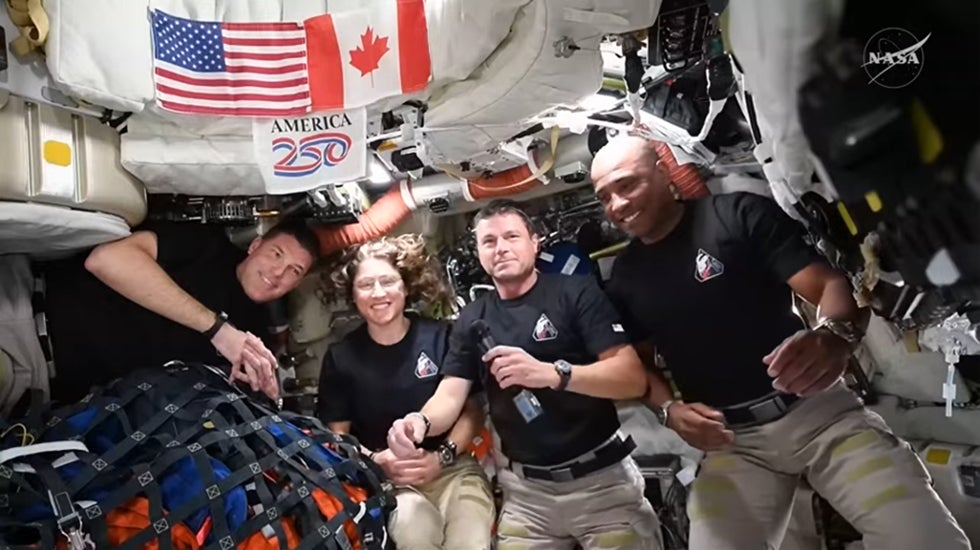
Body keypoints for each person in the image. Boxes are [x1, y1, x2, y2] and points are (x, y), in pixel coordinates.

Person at [591, 135, 971, 550]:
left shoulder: (735, 215)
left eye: (626, 184)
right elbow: (640, 365)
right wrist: (668, 410)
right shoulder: (626, 277)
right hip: (734, 444)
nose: (617, 205)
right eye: (604, 196)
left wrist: (834, 335)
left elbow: (830, 284)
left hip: (819, 415)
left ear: (664, 172)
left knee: (925, 540)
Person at [387, 200, 662, 550]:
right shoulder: (472, 319)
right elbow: (450, 394)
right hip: (527, 498)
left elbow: (631, 378)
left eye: (511, 236)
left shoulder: (574, 293)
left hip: (603, 485)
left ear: (534, 242)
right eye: (489, 241)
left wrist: (554, 374)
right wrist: (419, 422)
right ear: (480, 252)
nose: (500, 248)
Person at [0, 220, 318, 413]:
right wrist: (218, 330)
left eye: (294, 271)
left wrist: (263, 402)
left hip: (37, 385)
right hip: (21, 310)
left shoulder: (255, 338)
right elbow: (107, 260)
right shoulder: (207, 246)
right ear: (255, 246)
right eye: (277, 255)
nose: (279, 273)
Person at [317, 235, 495, 550]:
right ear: (352, 294)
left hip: (451, 469)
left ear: (406, 286)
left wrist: (443, 456)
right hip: (389, 480)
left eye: (388, 281)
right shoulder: (341, 356)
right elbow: (336, 437)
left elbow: (472, 411)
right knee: (415, 530)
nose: (378, 293)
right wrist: (375, 462)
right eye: (366, 285)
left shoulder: (442, 337)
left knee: (470, 536)